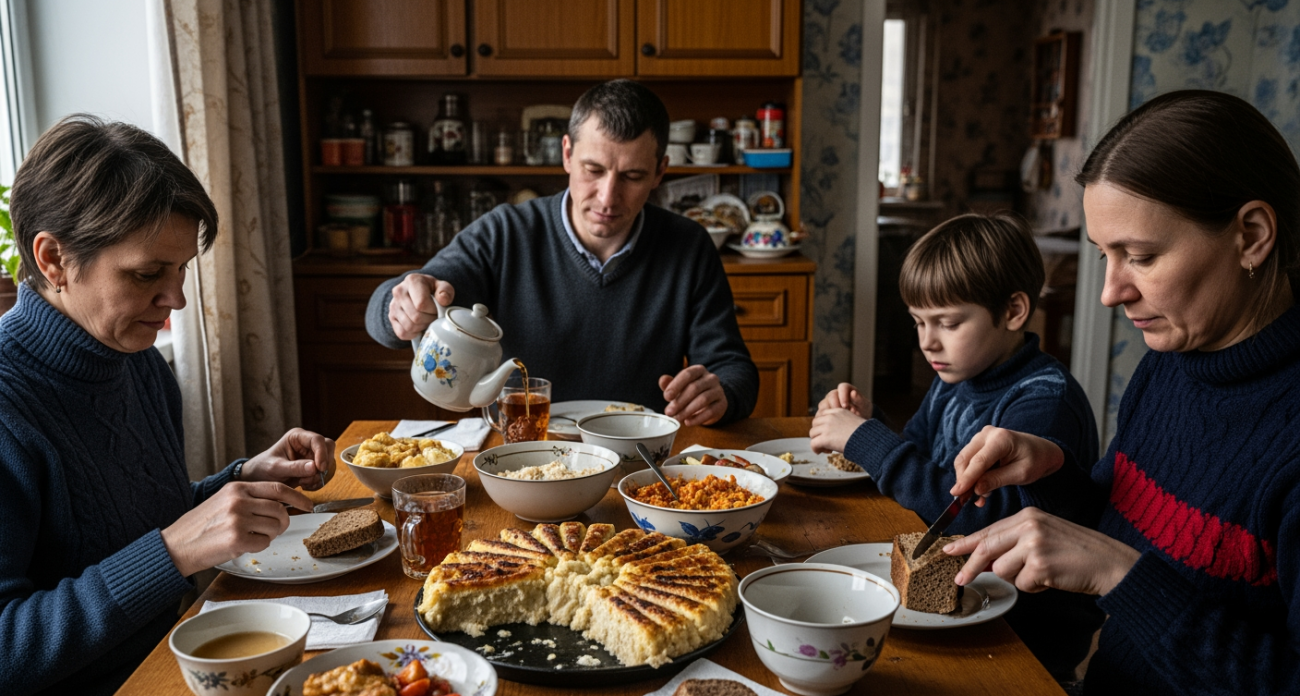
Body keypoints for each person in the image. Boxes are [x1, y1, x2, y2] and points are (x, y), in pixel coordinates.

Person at [946, 90, 1300, 694]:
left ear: (1252, 235)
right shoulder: (1174, 361)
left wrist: (1118, 574)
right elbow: (1125, 532)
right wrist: (1051, 469)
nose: (1111, 292)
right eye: (1105, 254)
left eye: (1140, 256)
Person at [0, 116, 335, 696]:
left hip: (176, 660)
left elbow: (124, 529)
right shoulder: (9, 404)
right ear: (52, 259)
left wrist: (237, 482)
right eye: (148, 274)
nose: (175, 299)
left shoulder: (137, 361)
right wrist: (175, 550)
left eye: (181, 270)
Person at [808, 213, 1103, 681]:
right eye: (918, 322)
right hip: (957, 599)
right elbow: (918, 455)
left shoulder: (1044, 402)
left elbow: (983, 521)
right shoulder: (959, 373)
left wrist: (866, 441)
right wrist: (869, 425)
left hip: (1024, 632)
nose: (927, 341)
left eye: (947, 322)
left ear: (1013, 312)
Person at [365, 80, 758, 426]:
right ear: (567, 154)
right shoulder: (506, 232)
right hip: (524, 454)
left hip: (639, 461)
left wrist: (720, 395)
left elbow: (734, 369)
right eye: (593, 169)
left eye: (633, 176)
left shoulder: (689, 246)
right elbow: (398, 306)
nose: (607, 197)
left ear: (660, 172)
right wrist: (399, 305)